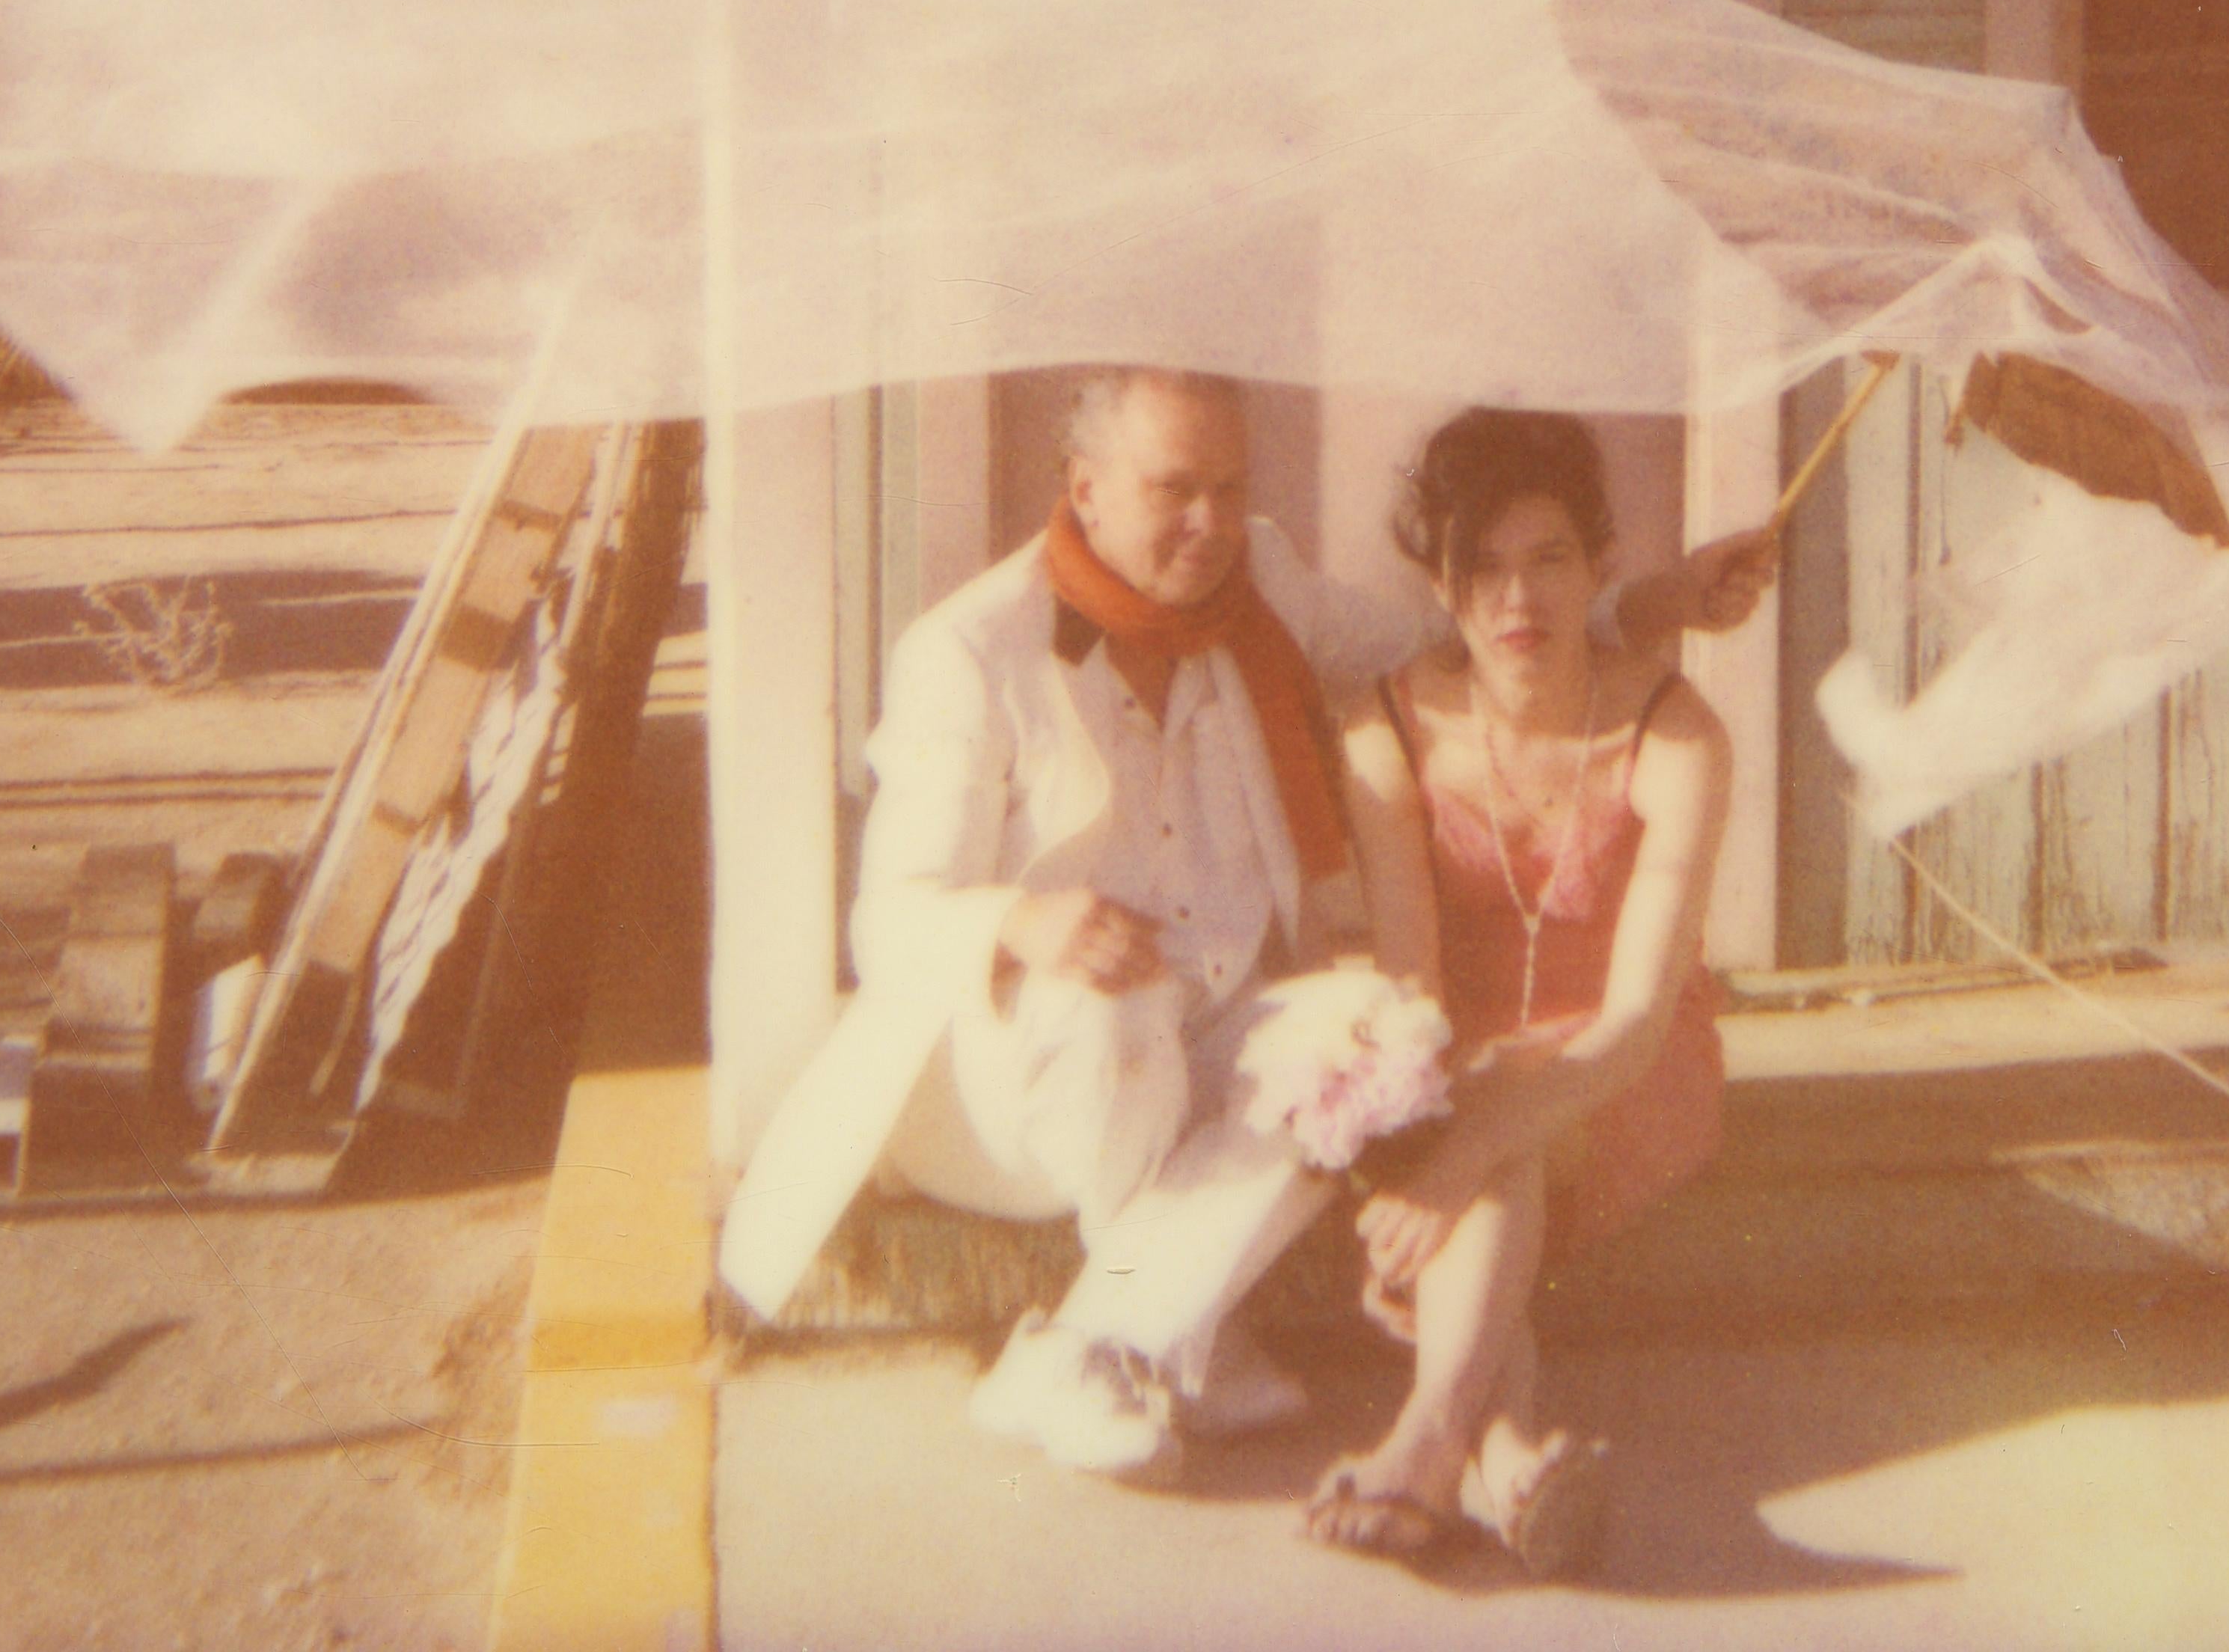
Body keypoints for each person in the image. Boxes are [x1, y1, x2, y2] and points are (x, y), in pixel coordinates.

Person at [714, 366, 1763, 1491]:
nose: (1210, 524)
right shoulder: (969, 652)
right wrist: (1021, 918)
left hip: (1191, 1045)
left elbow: (1454, 629)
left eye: (1229, 487)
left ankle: (1102, 1343)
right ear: (1087, 489)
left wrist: (1657, 607)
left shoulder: (1255, 581)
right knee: (1102, 996)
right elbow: (889, 922)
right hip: (1004, 1084)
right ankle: (1162, 1335)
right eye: (1175, 491)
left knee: (1371, 1039)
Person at [1306, 407, 1772, 1578]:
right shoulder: (1389, 730)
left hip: (1630, 1071)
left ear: (1602, 564)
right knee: (1477, 1088)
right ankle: (1504, 1462)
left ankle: (1418, 1442)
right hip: (1460, 1055)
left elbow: (1628, 1026)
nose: (1521, 601)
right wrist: (1426, 1134)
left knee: (1501, 1120)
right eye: (1486, 569)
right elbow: (1412, 995)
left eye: (1551, 560)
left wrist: (1448, 1165)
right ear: (1441, 583)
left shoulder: (1678, 736)